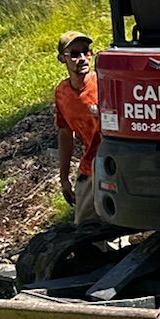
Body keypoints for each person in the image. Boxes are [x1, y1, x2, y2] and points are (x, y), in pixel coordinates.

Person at [53, 31, 102, 226]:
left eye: (85, 52)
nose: (81, 58)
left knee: (114, 226)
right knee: (85, 227)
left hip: (113, 164)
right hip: (89, 166)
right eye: (74, 54)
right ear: (62, 59)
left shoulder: (104, 83)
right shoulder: (62, 92)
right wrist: (64, 177)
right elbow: (65, 133)